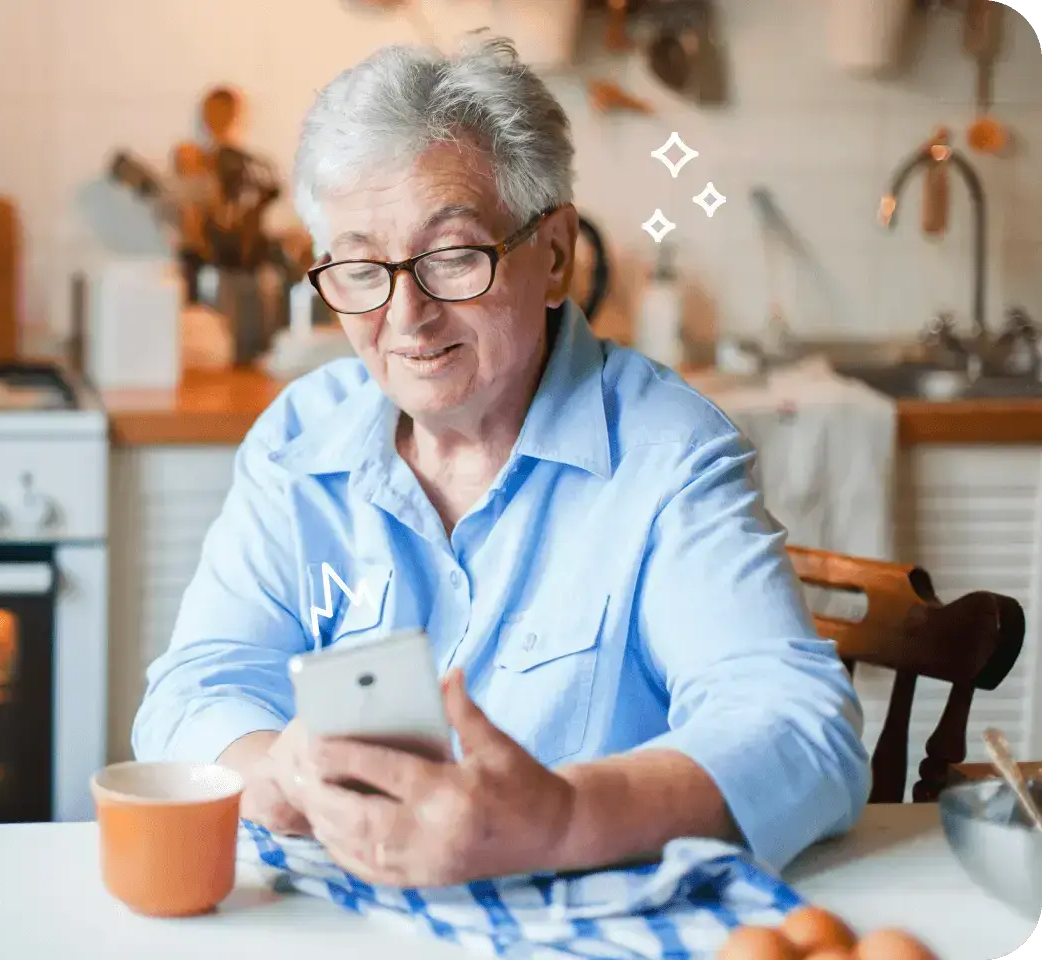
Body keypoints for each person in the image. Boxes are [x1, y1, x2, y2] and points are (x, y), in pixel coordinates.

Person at [133, 36, 870, 887]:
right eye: (362, 266)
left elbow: (799, 729)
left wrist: (562, 818)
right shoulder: (299, 436)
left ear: (553, 255)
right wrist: (280, 770)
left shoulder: (667, 454)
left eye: (450, 257)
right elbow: (194, 688)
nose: (405, 316)